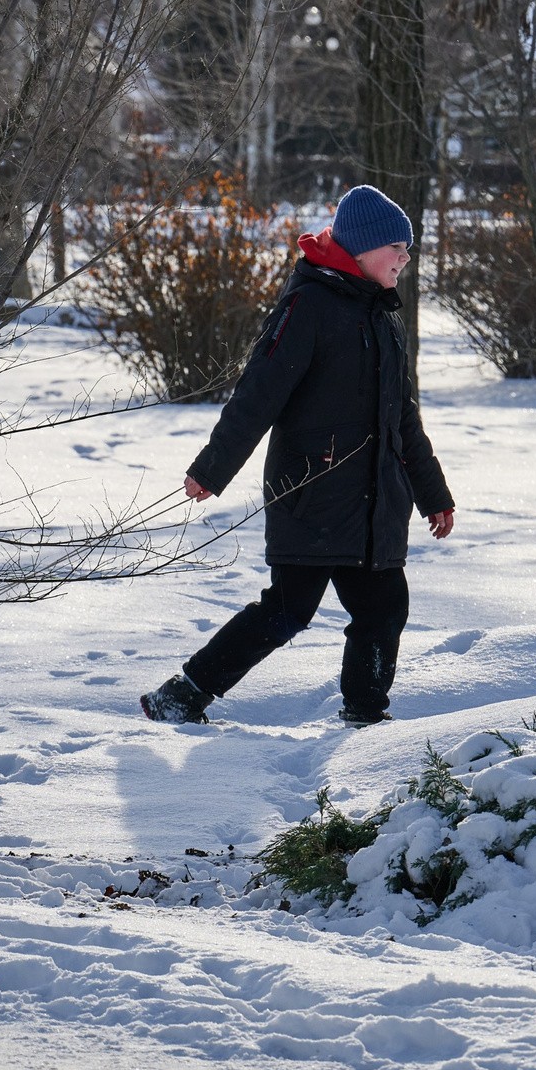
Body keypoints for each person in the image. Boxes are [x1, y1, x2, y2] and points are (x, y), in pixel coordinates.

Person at [140, 184, 456, 727]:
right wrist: (212, 469)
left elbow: (402, 418)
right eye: (396, 248)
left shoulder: (386, 318)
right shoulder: (308, 305)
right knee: (287, 611)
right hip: (310, 494)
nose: (406, 257)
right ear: (360, 249)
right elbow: (259, 393)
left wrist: (432, 493)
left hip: (375, 503)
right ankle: (183, 694)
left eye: (408, 248)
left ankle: (365, 716)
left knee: (384, 610)